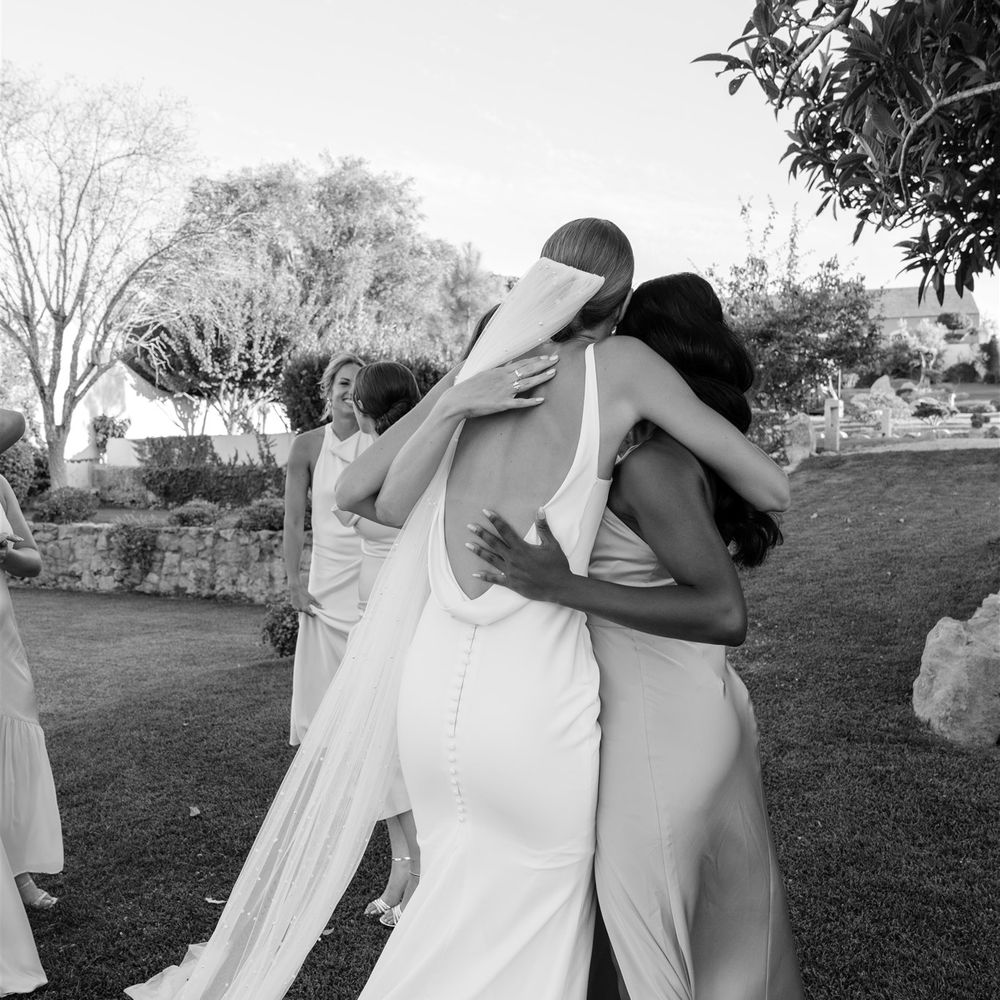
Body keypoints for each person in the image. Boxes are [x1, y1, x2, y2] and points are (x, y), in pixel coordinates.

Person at [125, 220, 788, 1000]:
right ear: (616, 303)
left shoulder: (481, 369)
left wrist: (451, 403)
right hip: (532, 697)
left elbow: (359, 495)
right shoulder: (623, 364)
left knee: (450, 909)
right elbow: (769, 487)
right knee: (536, 928)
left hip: (432, 698)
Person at [466, 273, 803, 999]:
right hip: (696, 711)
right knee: (724, 929)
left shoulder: (650, 468)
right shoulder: (664, 457)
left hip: (661, 737)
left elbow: (724, 613)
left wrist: (562, 585)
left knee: (647, 945)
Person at [335, 362, 423, 928]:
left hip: (408, 624)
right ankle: (402, 867)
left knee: (403, 752)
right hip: (369, 622)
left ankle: (420, 873)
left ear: (365, 409)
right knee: (378, 755)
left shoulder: (418, 454)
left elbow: (349, 508)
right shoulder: (371, 456)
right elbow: (345, 510)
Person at [0, 419, 61, 996]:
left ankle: (16, 874)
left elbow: (33, 563)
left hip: (3, 646)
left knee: (11, 761)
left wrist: (2, 551)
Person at [283, 352, 368, 746]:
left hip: (369, 572)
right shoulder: (306, 446)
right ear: (328, 390)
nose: (349, 392)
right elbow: (294, 521)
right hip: (324, 580)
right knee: (320, 680)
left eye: (357, 384)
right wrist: (294, 583)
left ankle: (360, 743)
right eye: (343, 383)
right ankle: (320, 747)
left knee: (367, 668)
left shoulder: (380, 443)